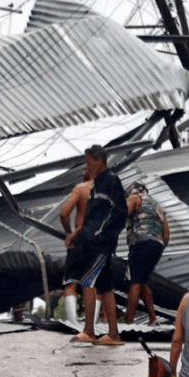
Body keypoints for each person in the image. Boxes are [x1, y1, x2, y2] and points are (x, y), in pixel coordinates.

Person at [66, 145, 128, 345]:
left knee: (87, 282)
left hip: (100, 243)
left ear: (99, 161)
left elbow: (120, 213)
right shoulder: (96, 185)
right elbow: (92, 216)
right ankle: (113, 334)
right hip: (93, 240)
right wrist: (77, 233)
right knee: (104, 286)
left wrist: (100, 234)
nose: (87, 167)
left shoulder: (111, 181)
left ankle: (89, 331)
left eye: (89, 163)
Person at [124, 181, 170, 325]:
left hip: (141, 244)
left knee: (135, 282)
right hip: (156, 246)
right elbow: (166, 234)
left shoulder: (135, 198)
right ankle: (153, 319)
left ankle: (128, 322)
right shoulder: (158, 206)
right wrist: (158, 247)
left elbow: (121, 215)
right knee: (143, 280)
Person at [59, 167, 94, 327]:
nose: (83, 170)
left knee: (71, 282)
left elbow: (64, 213)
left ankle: (73, 322)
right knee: (94, 283)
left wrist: (69, 233)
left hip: (81, 239)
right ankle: (93, 324)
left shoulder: (81, 188)